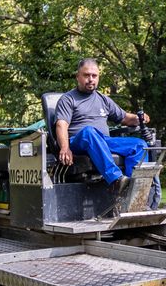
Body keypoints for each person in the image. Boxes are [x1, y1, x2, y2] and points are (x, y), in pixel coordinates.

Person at [54, 58, 150, 190]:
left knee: (139, 145)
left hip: (103, 141)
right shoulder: (68, 99)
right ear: (78, 77)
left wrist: (139, 118)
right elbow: (61, 125)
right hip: (78, 141)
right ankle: (116, 179)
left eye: (94, 76)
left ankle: (134, 189)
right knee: (89, 132)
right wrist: (65, 148)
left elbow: (125, 118)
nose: (91, 79)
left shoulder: (103, 99)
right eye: (86, 75)